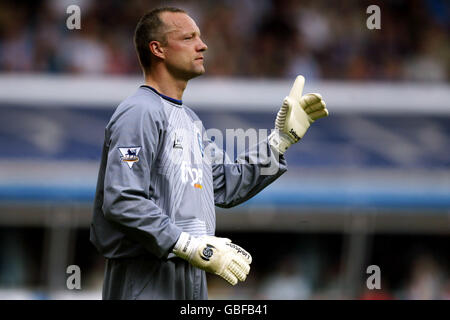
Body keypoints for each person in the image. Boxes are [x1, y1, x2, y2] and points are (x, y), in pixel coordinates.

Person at [90, 6, 328, 300]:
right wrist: (190, 246)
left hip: (190, 276)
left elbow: (226, 185)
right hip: (146, 280)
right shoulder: (139, 112)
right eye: (189, 37)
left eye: (199, 37)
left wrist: (280, 140)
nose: (202, 45)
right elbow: (123, 199)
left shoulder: (190, 121)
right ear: (158, 49)